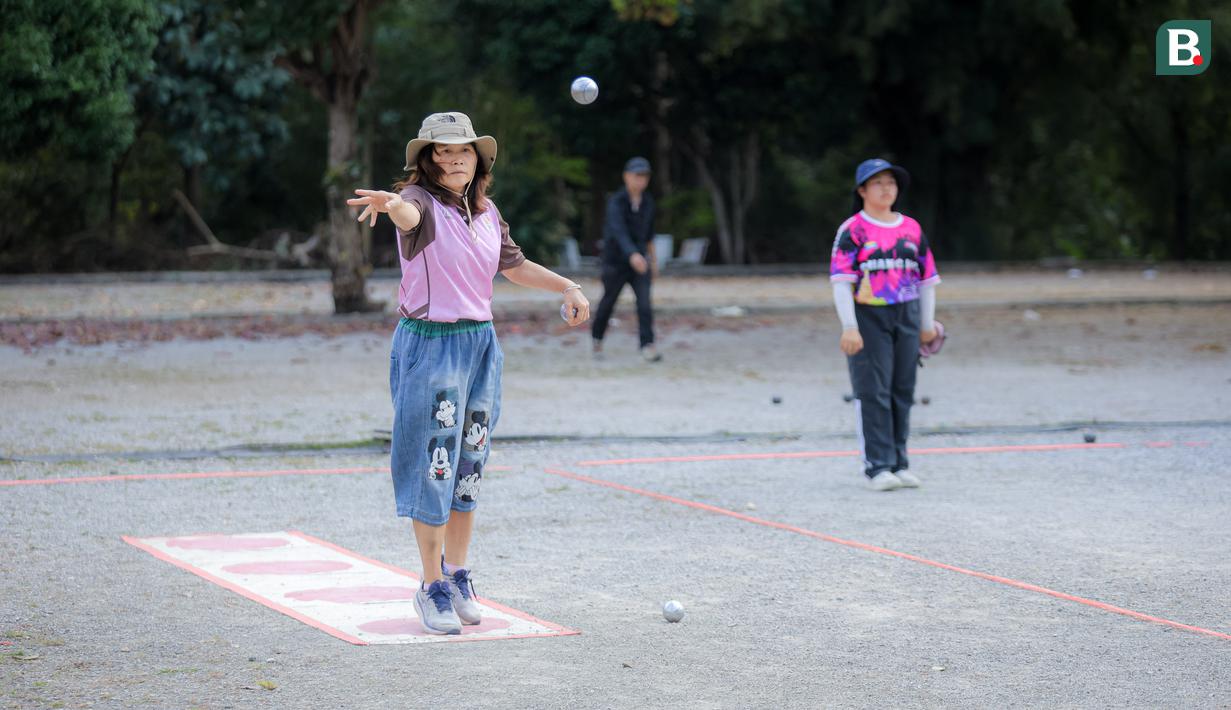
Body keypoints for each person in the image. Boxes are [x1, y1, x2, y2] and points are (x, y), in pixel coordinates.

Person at [347, 112, 591, 634]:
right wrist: (391, 205)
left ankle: (457, 575)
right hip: (431, 343)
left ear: (479, 159)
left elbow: (514, 266)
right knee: (434, 461)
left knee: (469, 462)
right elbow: (407, 216)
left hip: (480, 344)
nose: (456, 158)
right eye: (444, 150)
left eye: (465, 150)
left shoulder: (485, 212)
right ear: (428, 159)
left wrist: (568, 286)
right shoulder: (418, 202)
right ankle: (430, 584)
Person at [828, 158, 940, 492]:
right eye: (877, 183)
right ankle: (877, 466)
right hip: (869, 314)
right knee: (873, 390)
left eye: (891, 182)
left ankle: (899, 462)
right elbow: (841, 281)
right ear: (862, 190)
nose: (886, 188)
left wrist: (926, 324)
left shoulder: (912, 229)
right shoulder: (853, 230)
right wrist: (849, 326)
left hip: (906, 313)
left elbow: (927, 280)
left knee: (902, 389)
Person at [590, 156, 662, 362]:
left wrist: (653, 261)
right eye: (637, 175)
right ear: (626, 176)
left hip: (640, 263)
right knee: (608, 302)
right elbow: (618, 231)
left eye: (644, 176)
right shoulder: (616, 202)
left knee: (645, 304)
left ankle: (647, 345)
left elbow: (649, 235)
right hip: (616, 261)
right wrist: (632, 255)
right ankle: (597, 339)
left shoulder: (648, 202)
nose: (641, 180)